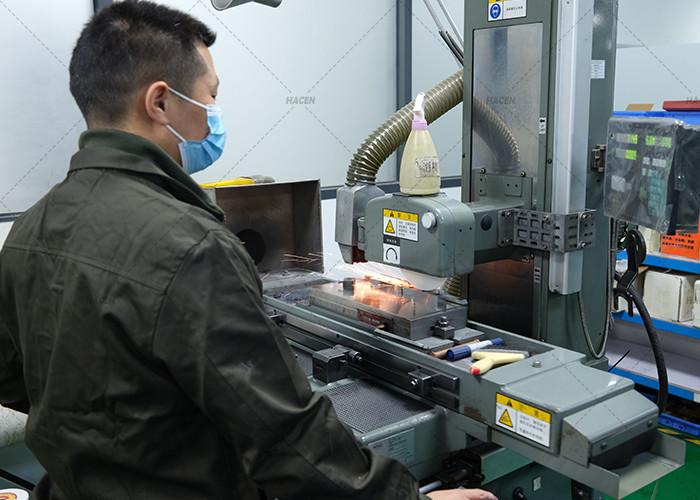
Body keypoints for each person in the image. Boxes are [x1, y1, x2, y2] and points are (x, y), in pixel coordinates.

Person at [0, 2, 497, 500]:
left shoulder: (30, 228)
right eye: (210, 95)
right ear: (160, 102)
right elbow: (285, 438)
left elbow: (12, 377)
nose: (214, 113)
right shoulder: (190, 247)